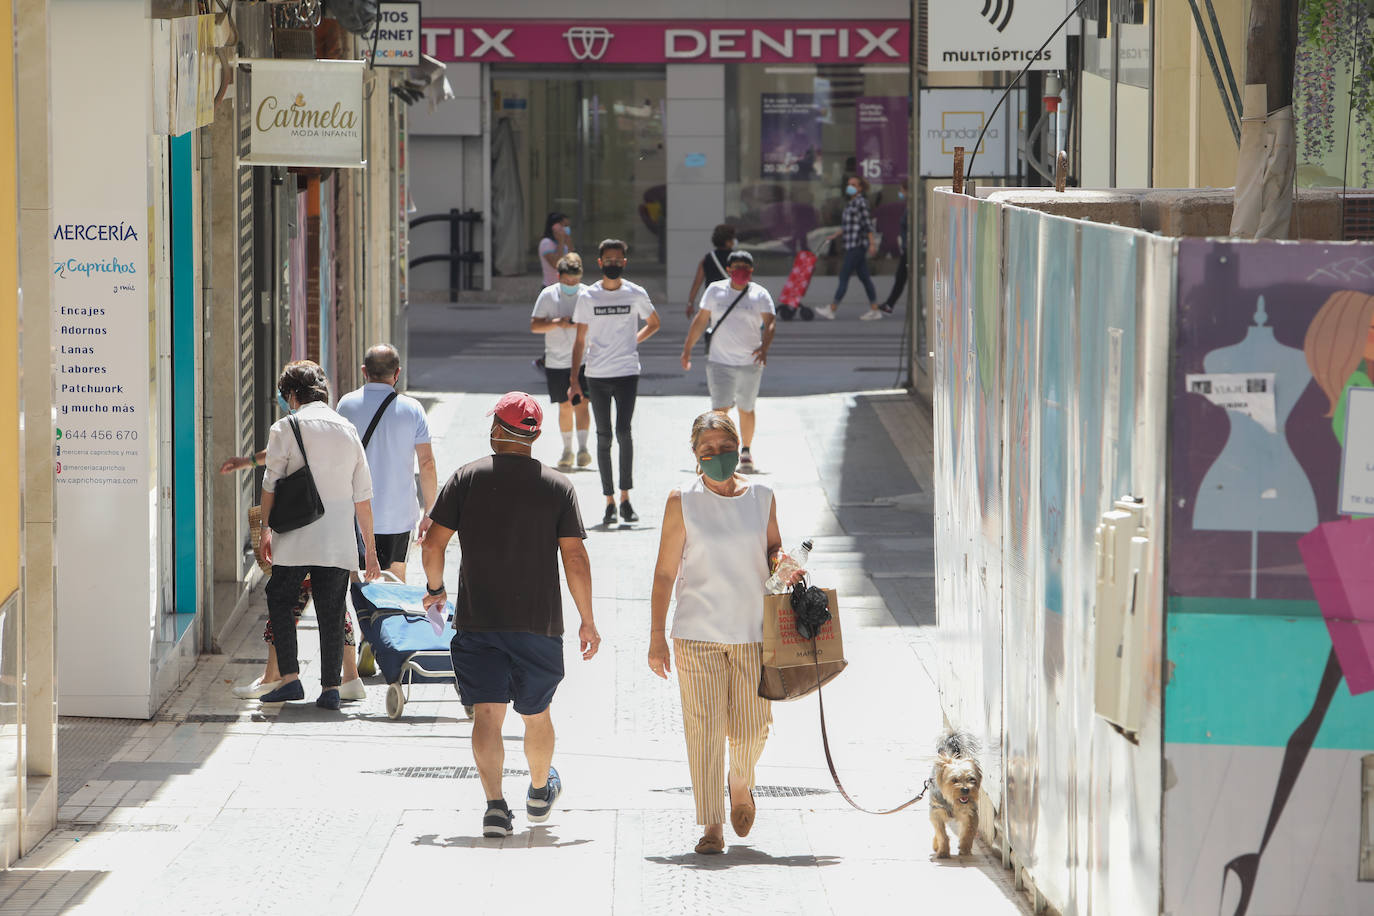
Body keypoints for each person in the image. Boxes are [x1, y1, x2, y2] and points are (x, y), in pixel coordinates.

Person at [421, 392, 600, 838]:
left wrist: (435, 589)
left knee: (487, 714)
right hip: (539, 624)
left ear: (498, 430)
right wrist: (587, 619)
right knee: (536, 714)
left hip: (479, 620)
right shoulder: (557, 486)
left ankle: (495, 809)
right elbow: (575, 558)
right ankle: (540, 791)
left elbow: (432, 544)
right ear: (535, 435)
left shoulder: (465, 479)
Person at [648, 412, 801, 855]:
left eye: (723, 448)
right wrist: (657, 635)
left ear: (738, 447)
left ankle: (740, 780)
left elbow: (773, 548)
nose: (717, 458)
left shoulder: (763, 497)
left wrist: (782, 562)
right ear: (695, 457)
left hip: (755, 633)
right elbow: (663, 574)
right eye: (706, 452)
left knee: (754, 729)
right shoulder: (682, 502)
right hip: (696, 634)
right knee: (704, 729)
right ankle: (711, 822)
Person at [256, 361, 381, 709]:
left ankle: (291, 679)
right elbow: (363, 498)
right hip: (338, 539)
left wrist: (266, 528)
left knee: (280, 598)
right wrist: (369, 552)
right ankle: (330, 690)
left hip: (295, 537)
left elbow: (270, 486)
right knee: (331, 608)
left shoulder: (285, 428)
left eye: (287, 397)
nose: (287, 403)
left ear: (293, 394)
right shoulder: (348, 429)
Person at [569, 239, 662, 526]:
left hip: (626, 373)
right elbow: (580, 339)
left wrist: (632, 341)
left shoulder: (636, 293)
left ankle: (625, 498)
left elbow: (654, 322)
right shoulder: (588, 297)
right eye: (607, 260)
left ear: (624, 262)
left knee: (624, 432)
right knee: (604, 436)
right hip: (596, 375)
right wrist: (574, 379)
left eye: (617, 260)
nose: (612, 263)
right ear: (600, 263)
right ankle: (608, 501)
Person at [336, 343, 438, 580]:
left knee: (360, 581)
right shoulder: (412, 409)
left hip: (356, 515)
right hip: (399, 516)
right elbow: (427, 464)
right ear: (397, 373)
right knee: (395, 580)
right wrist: (430, 511)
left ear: (364, 371)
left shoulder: (346, 405)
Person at [681, 250, 776, 473]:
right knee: (720, 410)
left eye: (745, 268)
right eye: (737, 268)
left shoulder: (760, 294)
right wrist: (687, 349)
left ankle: (746, 451)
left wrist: (765, 347)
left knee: (746, 407)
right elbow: (700, 320)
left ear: (751, 271)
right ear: (729, 270)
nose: (740, 272)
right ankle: (721, 450)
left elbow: (770, 323)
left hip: (749, 362)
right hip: (719, 362)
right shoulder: (715, 291)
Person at [530, 253, 593, 469]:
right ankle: (567, 450)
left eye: (575, 281)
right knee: (565, 406)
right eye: (567, 281)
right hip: (556, 360)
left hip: (585, 358)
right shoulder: (548, 295)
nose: (571, 285)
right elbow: (535, 326)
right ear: (558, 276)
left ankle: (583, 448)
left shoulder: (588, 294)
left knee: (582, 404)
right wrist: (557, 323)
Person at [815, 175, 882, 321]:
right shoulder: (851, 203)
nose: (849, 186)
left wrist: (872, 244)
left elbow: (867, 224)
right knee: (865, 278)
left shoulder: (861, 203)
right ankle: (875, 309)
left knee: (844, 276)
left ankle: (832, 309)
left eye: (853, 184)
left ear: (860, 188)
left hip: (857, 245)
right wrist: (835, 235)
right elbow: (849, 226)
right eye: (848, 183)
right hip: (852, 244)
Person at [685, 223, 736, 318]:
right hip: (733, 301)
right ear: (728, 241)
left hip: (713, 302)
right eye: (732, 239)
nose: (734, 241)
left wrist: (690, 304)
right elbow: (747, 280)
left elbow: (697, 283)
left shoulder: (707, 259)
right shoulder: (737, 259)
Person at [879, 177, 909, 314]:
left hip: (911, 249)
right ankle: (889, 304)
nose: (900, 192)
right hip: (907, 248)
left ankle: (890, 304)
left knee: (902, 277)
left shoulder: (913, 207)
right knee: (901, 278)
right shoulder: (909, 206)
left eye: (901, 190)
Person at [538, 212, 572, 287]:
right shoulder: (546, 243)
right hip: (550, 287)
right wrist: (561, 241)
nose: (566, 228)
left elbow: (572, 261)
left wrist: (568, 241)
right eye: (564, 225)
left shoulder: (563, 243)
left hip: (565, 286)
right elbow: (556, 264)